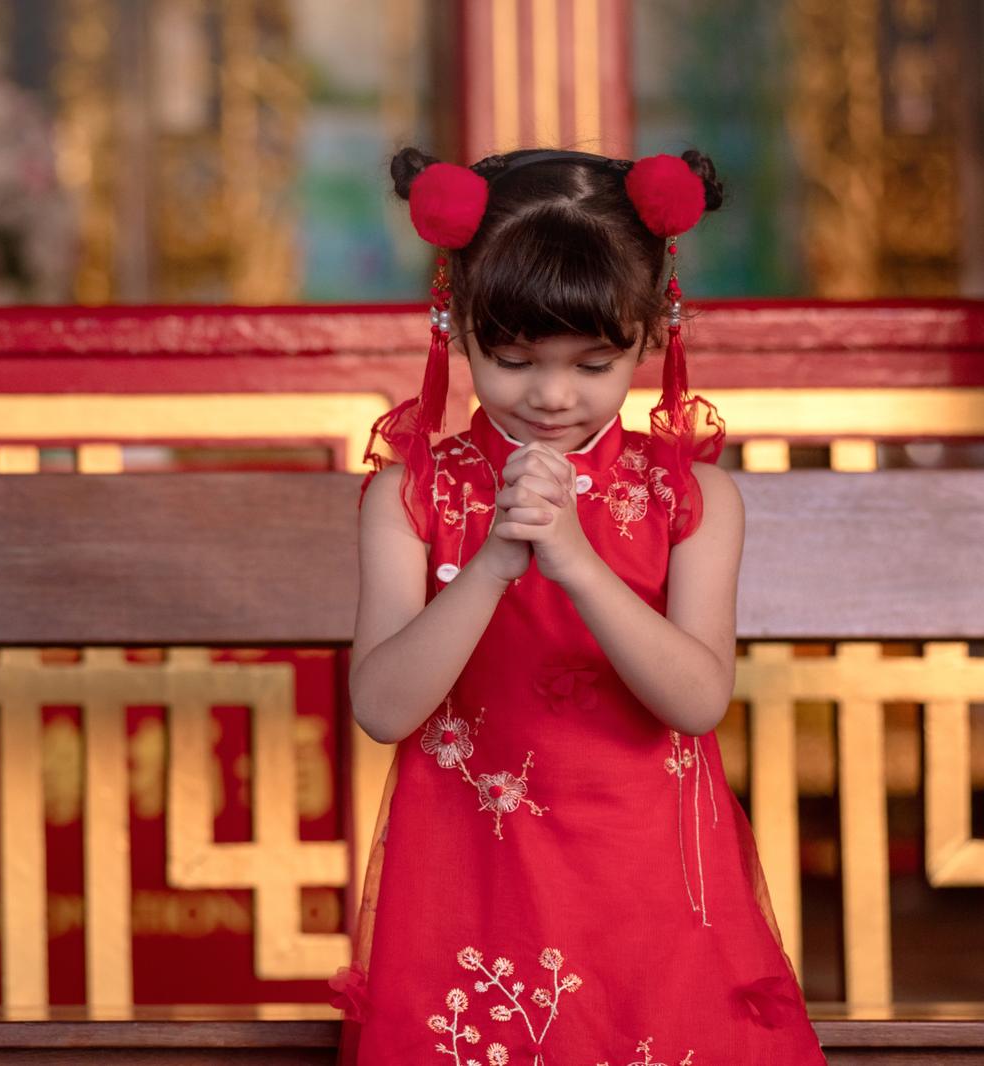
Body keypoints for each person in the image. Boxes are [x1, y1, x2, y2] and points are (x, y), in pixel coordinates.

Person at [331, 147, 827, 1064]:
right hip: (474, 879)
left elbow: (695, 699)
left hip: (648, 880)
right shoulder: (413, 496)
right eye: (512, 358)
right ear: (457, 327)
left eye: (593, 362)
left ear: (650, 334)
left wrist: (575, 562)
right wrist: (489, 565)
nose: (552, 396)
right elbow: (382, 707)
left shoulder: (691, 500)